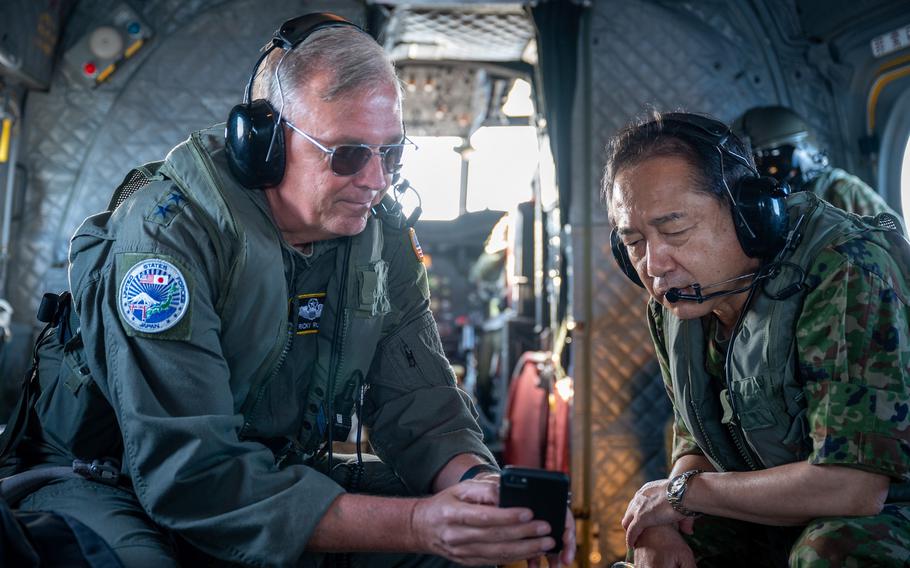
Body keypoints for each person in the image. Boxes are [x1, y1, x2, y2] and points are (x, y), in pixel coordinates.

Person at [1, 13, 575, 567]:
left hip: (267, 474)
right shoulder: (167, 239)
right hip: (104, 477)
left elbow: (420, 404)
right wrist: (418, 523)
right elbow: (193, 476)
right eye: (347, 154)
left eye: (391, 153)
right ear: (264, 144)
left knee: (468, 549)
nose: (375, 180)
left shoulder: (379, 234)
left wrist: (482, 492)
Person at [603, 111, 910, 567]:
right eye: (633, 242)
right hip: (773, 507)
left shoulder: (843, 270)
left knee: (829, 551)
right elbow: (696, 440)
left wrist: (681, 493)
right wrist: (661, 525)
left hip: (884, 508)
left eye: (674, 230)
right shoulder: (678, 303)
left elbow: (855, 487)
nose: (654, 263)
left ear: (751, 215)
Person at [733, 105, 900, 218]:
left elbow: (895, 246)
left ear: (806, 152)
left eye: (776, 164)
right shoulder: (765, 210)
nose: (767, 177)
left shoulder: (842, 190)